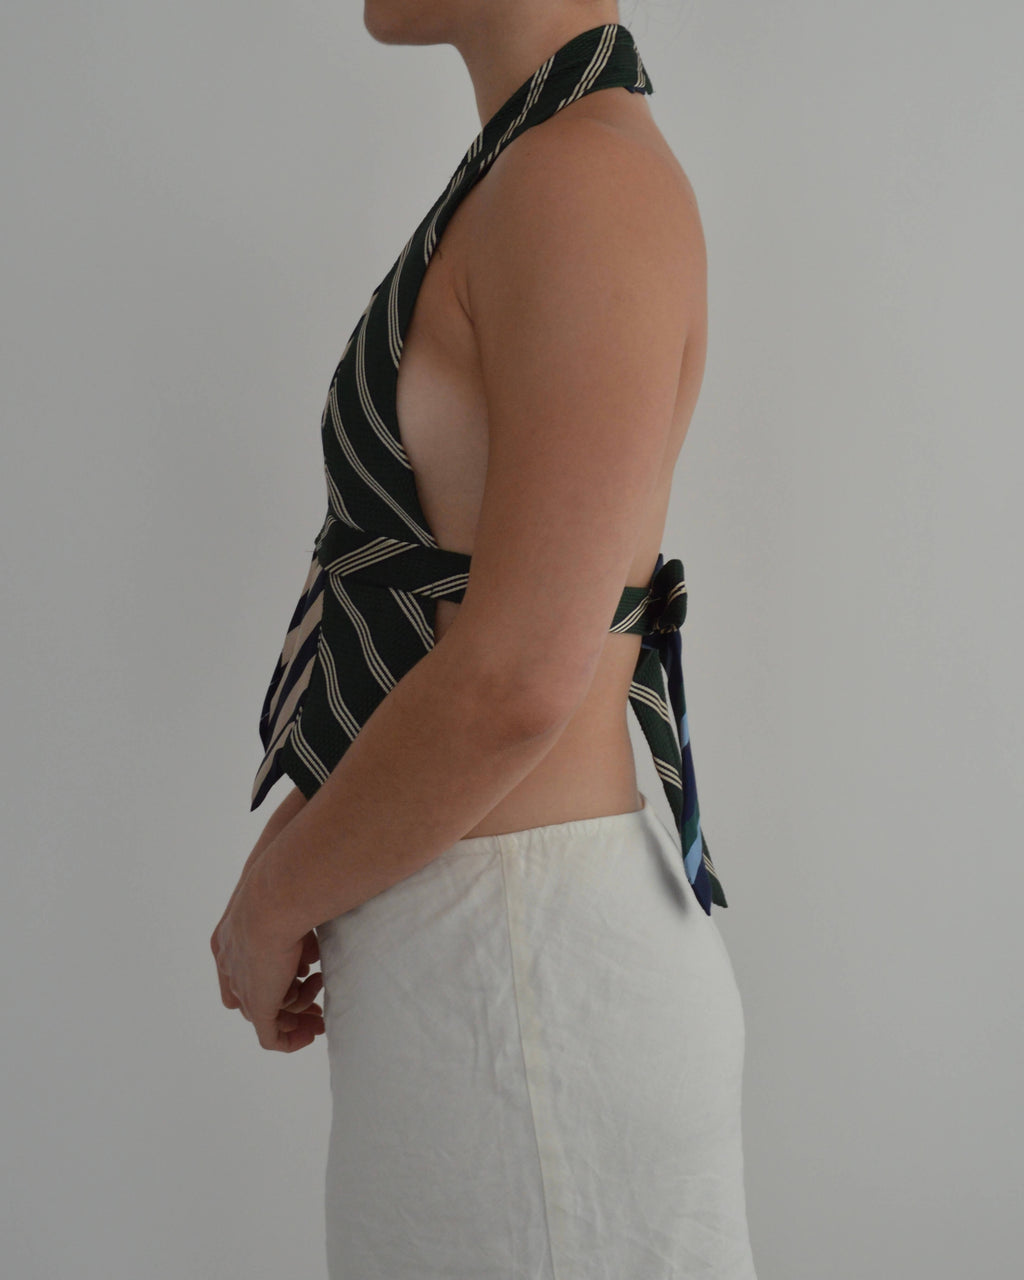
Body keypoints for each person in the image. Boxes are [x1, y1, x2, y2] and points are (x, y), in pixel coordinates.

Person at [212, 3, 757, 1276]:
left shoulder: (580, 182)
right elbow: (476, 635)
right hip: (497, 976)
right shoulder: (541, 167)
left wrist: (272, 902)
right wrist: (292, 854)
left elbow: (518, 673)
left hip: (524, 992)